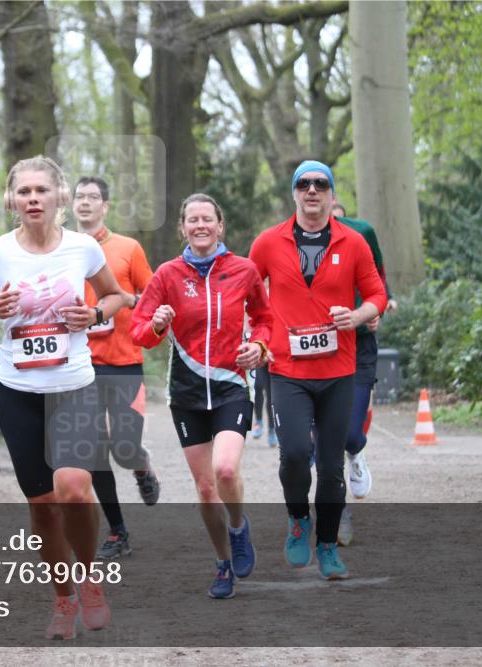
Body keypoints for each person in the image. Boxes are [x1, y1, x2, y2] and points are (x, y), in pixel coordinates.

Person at [0, 156, 128, 639]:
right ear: (12, 200)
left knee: (75, 490)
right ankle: (62, 597)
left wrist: (94, 315)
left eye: (41, 190)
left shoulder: (81, 249)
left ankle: (89, 576)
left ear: (58, 196)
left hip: (74, 387)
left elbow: (116, 297)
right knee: (42, 504)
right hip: (17, 392)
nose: (32, 199)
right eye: (23, 192)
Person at [249, 161, 387, 581]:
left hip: (338, 370)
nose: (312, 190)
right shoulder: (268, 243)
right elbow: (248, 293)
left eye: (320, 184)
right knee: (293, 454)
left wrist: (359, 315)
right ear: (294, 193)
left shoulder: (355, 241)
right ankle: (297, 519)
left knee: (330, 466)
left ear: (331, 193)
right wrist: (257, 339)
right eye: (303, 184)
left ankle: (327, 545)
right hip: (287, 369)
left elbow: (378, 293)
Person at [132, 193, 272, 599]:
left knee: (225, 471)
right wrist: (157, 323)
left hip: (232, 386)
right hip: (187, 394)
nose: (200, 226)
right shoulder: (167, 275)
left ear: (220, 226)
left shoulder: (243, 271)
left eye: (207, 219)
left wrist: (259, 348)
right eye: (192, 219)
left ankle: (238, 526)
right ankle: (223, 562)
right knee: (205, 488)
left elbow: (265, 319)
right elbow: (138, 331)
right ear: (183, 228)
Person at [72, 176, 160, 561]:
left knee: (123, 447)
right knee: (93, 449)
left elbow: (156, 299)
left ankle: (141, 466)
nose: (85, 203)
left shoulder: (128, 248)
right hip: (79, 365)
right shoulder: (62, 250)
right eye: (79, 197)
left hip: (125, 361)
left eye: (93, 197)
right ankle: (117, 531)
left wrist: (125, 299)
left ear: (105, 206)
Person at [330, 202, 397, 546]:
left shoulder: (363, 233)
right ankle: (338, 514)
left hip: (359, 346)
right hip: (317, 353)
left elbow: (380, 282)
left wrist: (376, 308)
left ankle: (357, 453)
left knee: (350, 434)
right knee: (321, 443)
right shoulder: (293, 241)